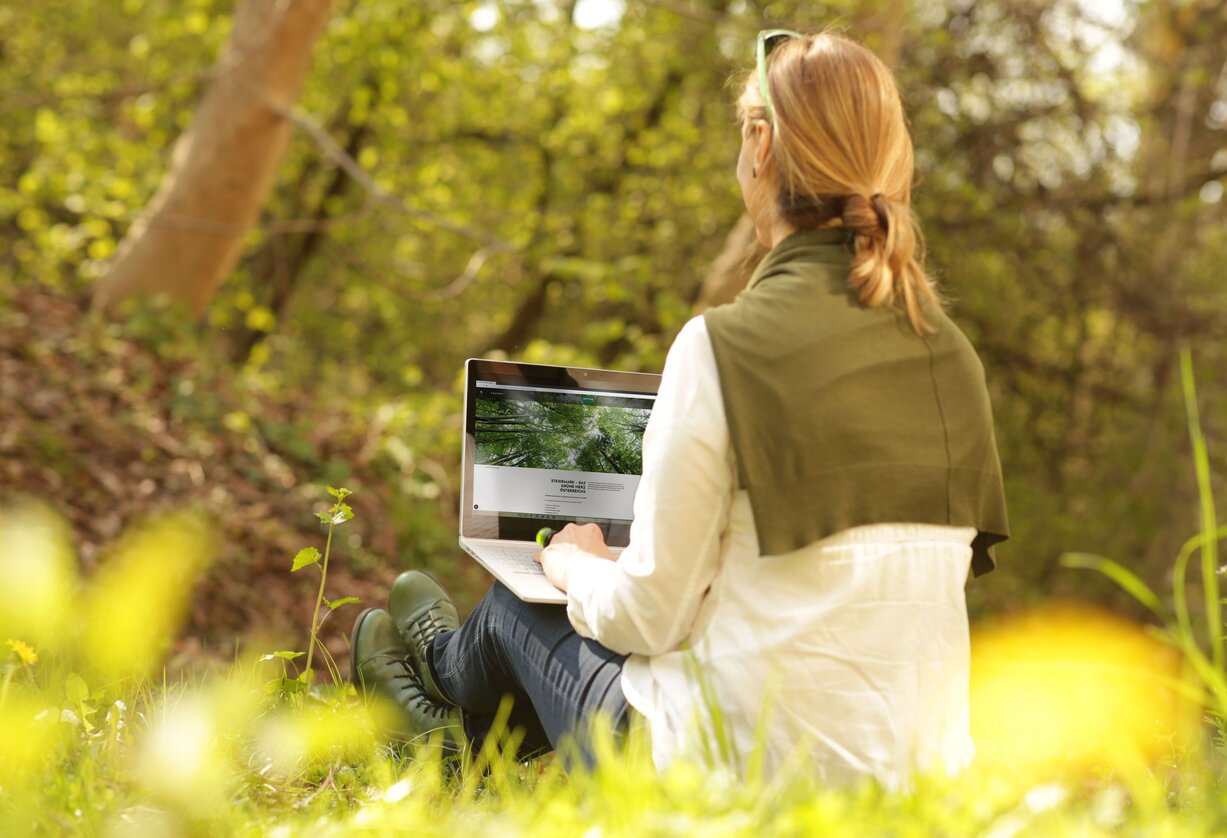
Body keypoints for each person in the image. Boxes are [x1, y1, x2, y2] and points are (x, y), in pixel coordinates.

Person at [350, 28, 1009, 787]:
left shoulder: (724, 346)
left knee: (520, 601)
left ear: (759, 147)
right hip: (911, 784)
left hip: (724, 780)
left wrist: (575, 566)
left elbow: (645, 623)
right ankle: (447, 737)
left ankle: (432, 698)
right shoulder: (948, 352)